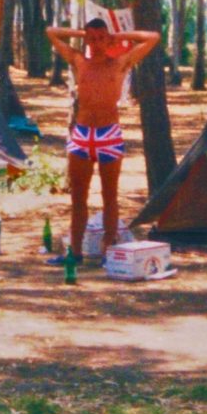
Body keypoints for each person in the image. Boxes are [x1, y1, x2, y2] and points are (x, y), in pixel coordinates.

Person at [45, 18, 160, 265]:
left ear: (108, 40)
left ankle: (109, 251)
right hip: (82, 135)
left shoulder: (119, 63)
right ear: (86, 40)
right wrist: (83, 33)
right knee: (78, 198)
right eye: (92, 39)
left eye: (101, 38)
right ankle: (75, 253)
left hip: (109, 135)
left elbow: (153, 38)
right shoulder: (79, 62)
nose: (96, 43)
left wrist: (116, 36)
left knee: (110, 196)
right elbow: (51, 32)